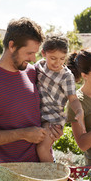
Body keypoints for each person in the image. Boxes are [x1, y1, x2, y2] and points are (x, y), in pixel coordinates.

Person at [0, 17, 62, 181]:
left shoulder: (30, 72)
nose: (34, 59)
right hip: (11, 176)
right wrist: (23, 134)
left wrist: (50, 127)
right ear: (12, 46)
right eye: (29, 53)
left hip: (43, 167)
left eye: (35, 53)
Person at [35, 34, 85, 162]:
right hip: (36, 114)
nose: (57, 63)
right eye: (53, 58)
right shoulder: (38, 66)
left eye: (62, 58)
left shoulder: (66, 76)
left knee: (42, 149)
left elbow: (73, 99)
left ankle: (51, 178)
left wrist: (79, 111)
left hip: (53, 118)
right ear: (43, 53)